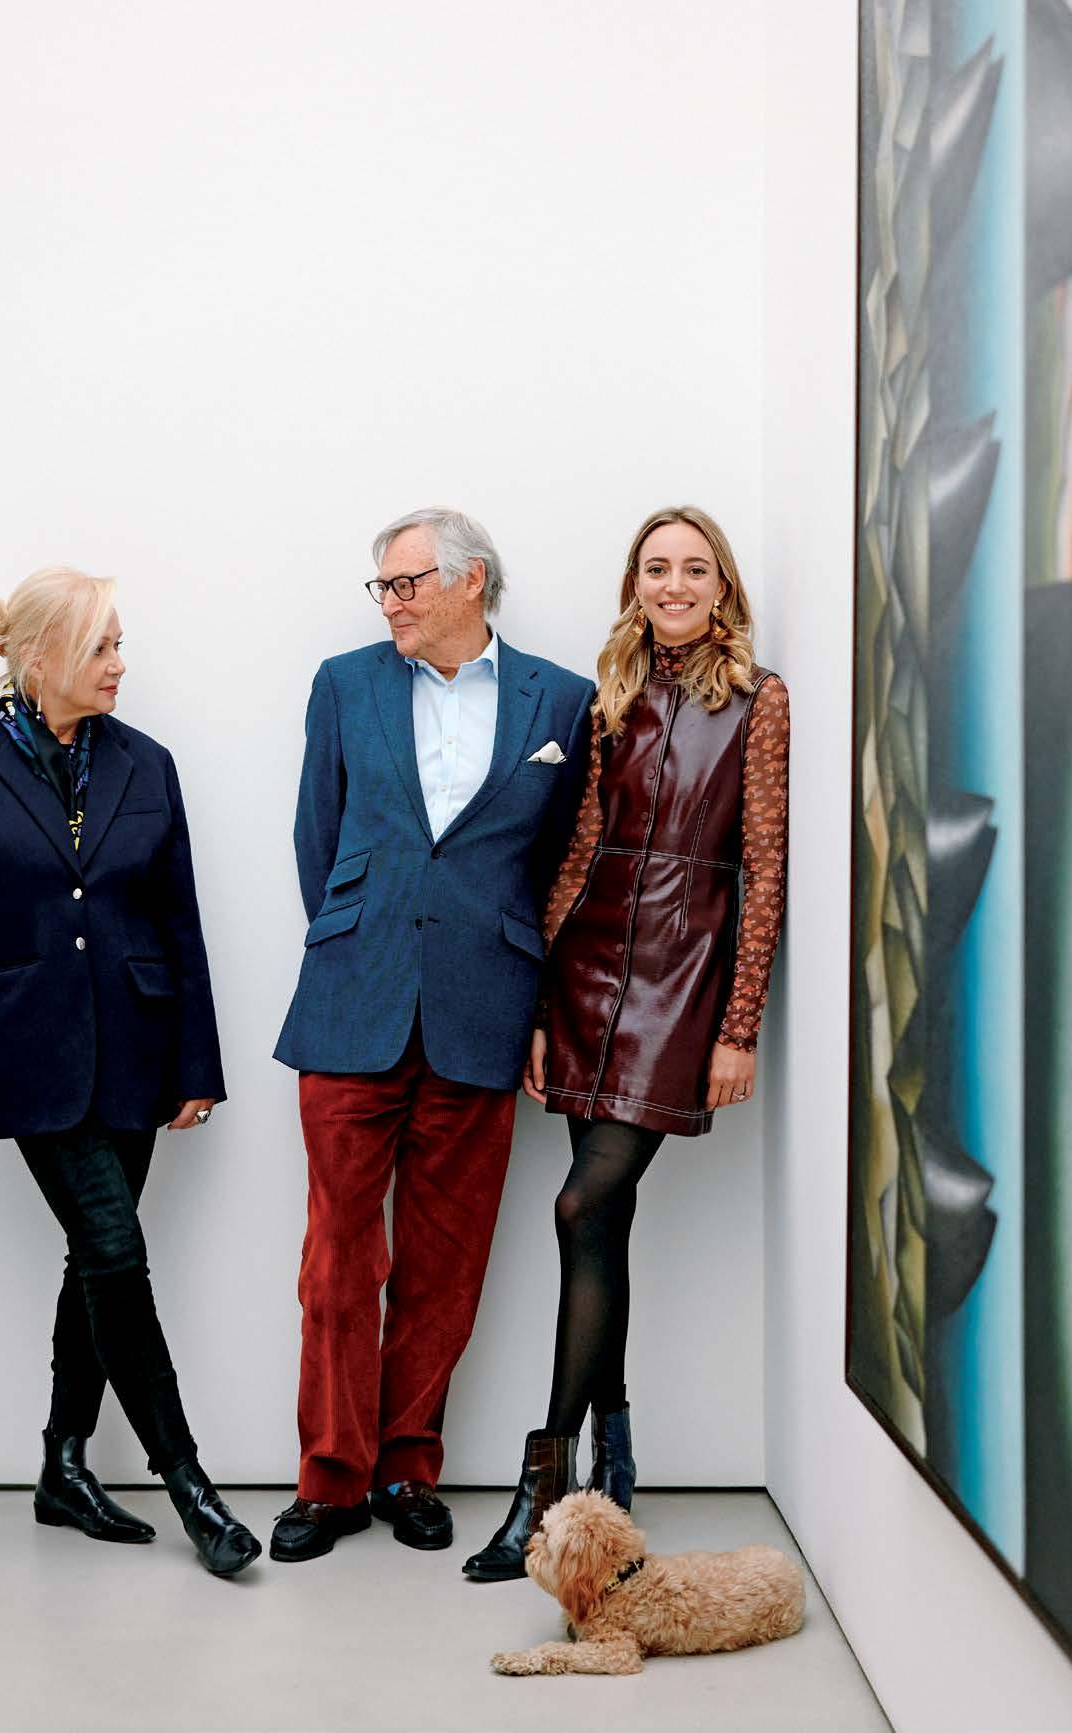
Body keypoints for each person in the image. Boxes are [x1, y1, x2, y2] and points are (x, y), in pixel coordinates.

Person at [0, 566, 260, 1577]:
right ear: (40, 658)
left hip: (137, 1047)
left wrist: (196, 1061)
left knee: (93, 1258)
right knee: (115, 1246)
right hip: (26, 1047)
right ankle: (189, 1484)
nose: (120, 663)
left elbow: (179, 919)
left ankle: (62, 1466)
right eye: (101, 645)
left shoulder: (147, 764)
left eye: (119, 643)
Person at [463, 505, 789, 1581]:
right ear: (634, 585)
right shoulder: (609, 696)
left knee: (578, 1204)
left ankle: (544, 1485)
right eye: (656, 568)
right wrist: (541, 1007)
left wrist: (738, 1025)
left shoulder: (758, 700)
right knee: (599, 1225)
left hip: (682, 978)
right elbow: (576, 851)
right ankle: (612, 1464)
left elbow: (764, 867)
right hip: (589, 966)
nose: (673, 585)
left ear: (721, 585)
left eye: (694, 568)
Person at [269, 508, 595, 1562]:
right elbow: (317, 837)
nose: (389, 602)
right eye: (382, 586)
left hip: (482, 1007)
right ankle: (329, 1478)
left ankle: (407, 1465)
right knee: (336, 1258)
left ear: (471, 581)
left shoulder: (561, 700)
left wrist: (532, 1002)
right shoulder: (344, 684)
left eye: (406, 582)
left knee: (446, 1263)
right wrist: (364, 936)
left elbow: (559, 864)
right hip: (351, 1001)